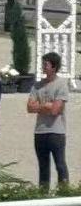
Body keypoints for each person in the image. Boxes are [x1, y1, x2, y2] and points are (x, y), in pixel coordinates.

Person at [28, 51, 69, 189]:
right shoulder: (37, 85)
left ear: (54, 66)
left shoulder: (61, 84)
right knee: (43, 167)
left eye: (46, 64)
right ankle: (43, 194)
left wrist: (41, 106)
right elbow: (29, 107)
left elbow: (55, 110)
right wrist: (46, 105)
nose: (43, 67)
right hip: (40, 131)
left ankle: (65, 194)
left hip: (56, 132)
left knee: (60, 165)